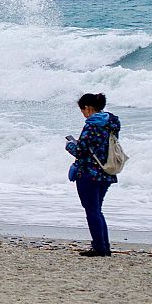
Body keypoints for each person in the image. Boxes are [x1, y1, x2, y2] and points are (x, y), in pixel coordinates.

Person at [65, 92, 122, 257]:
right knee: (97, 209)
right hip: (106, 172)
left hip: (89, 173)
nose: (83, 114)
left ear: (88, 108)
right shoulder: (111, 123)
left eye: (82, 110)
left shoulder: (91, 125)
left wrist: (70, 145)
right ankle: (104, 246)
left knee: (92, 210)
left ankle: (99, 248)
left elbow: (81, 151)